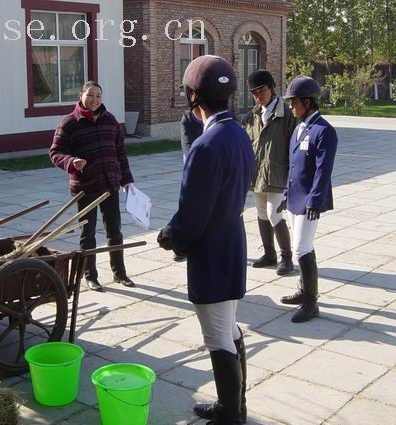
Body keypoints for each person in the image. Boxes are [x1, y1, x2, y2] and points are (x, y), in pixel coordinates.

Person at [157, 55, 254, 425]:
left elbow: (193, 215)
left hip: (212, 251)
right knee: (229, 329)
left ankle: (230, 413)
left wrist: (171, 237)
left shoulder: (205, 144)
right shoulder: (238, 133)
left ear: (192, 95)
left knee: (217, 337)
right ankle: (235, 406)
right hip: (232, 240)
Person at [49, 80, 136, 292]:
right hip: (85, 187)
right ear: (81, 95)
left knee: (114, 231)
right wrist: (71, 162)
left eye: (98, 95)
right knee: (87, 233)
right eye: (90, 95)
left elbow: (120, 153)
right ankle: (90, 276)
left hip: (109, 184)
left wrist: (126, 179)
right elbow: (55, 152)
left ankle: (120, 273)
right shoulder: (69, 123)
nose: (94, 99)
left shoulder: (110, 120)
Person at [277, 76, 338, 323]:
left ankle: (311, 303)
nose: (291, 107)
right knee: (300, 245)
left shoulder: (325, 131)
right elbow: (294, 166)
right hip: (294, 197)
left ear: (307, 102)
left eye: (294, 102)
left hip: (309, 201)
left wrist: (314, 199)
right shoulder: (300, 127)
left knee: (303, 247)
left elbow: (323, 171)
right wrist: (285, 194)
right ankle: (304, 292)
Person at [242, 69, 295, 275]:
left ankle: (286, 257)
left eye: (261, 90)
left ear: (271, 88)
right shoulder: (252, 116)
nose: (257, 96)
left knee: (275, 214)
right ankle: (269, 253)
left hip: (278, 173)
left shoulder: (287, 114)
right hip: (257, 174)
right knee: (262, 213)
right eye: (254, 92)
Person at [173, 108, 204, 263]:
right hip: (192, 170)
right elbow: (188, 145)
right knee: (187, 208)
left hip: (212, 169)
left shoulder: (213, 113)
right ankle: (183, 245)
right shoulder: (188, 117)